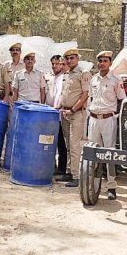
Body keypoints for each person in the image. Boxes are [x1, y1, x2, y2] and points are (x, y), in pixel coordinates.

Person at [88, 50, 127, 200]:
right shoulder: (93, 79)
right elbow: (90, 99)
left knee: (110, 153)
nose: (102, 63)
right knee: (93, 153)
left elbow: (122, 100)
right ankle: (94, 185)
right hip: (93, 119)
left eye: (105, 61)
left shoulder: (116, 80)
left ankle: (111, 187)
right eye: (100, 61)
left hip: (108, 120)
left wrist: (117, 117)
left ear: (110, 63)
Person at [55, 48, 91, 187]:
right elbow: (64, 93)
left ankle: (76, 177)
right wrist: (58, 107)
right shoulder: (67, 73)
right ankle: (70, 172)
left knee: (75, 146)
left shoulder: (83, 73)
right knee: (68, 145)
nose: (69, 61)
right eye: (67, 58)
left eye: (72, 58)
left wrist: (73, 109)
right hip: (65, 113)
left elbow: (85, 94)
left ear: (77, 58)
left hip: (76, 113)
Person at [46, 54, 68, 176]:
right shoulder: (49, 77)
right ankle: (51, 165)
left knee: (61, 143)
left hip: (59, 114)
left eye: (57, 64)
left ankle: (62, 168)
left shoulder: (64, 77)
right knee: (49, 141)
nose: (55, 66)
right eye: (53, 64)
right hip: (49, 113)